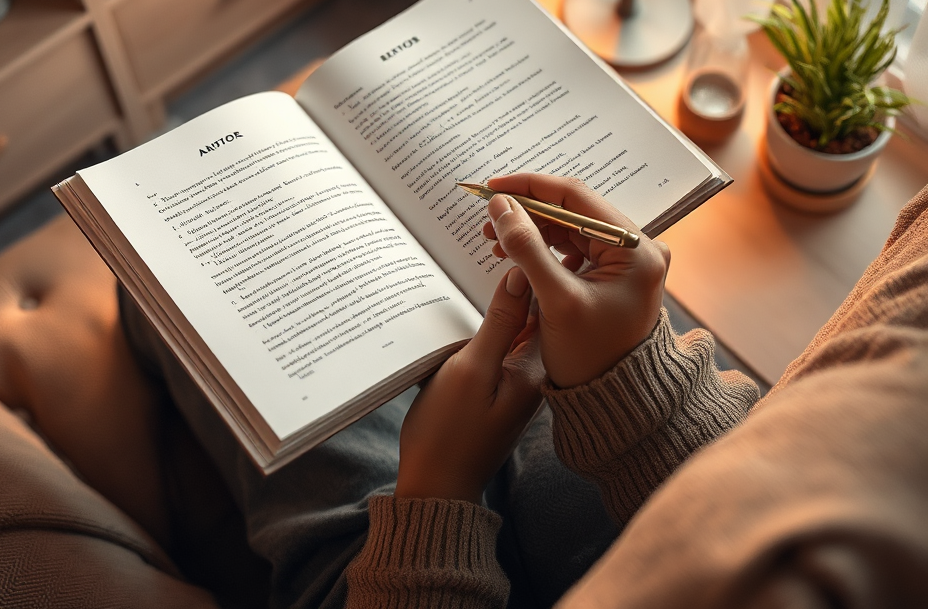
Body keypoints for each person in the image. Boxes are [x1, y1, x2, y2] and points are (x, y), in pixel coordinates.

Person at [124, 174, 928, 609]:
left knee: (166, 284)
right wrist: (633, 384)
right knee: (534, 351)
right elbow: (779, 495)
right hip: (667, 504)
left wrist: (437, 493)